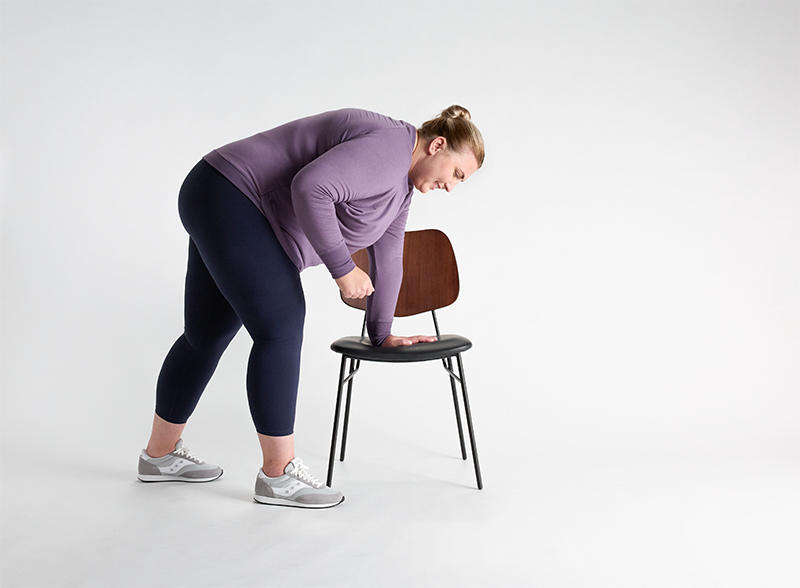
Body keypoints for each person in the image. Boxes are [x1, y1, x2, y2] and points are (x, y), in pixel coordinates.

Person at [137, 106, 485, 508]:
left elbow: (389, 255)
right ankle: (279, 476)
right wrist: (343, 270)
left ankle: (158, 456)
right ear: (438, 145)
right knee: (281, 327)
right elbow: (313, 187)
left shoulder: (400, 188)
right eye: (457, 174)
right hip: (232, 194)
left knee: (206, 334)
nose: (452, 187)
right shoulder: (391, 147)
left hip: (219, 193)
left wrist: (382, 333)